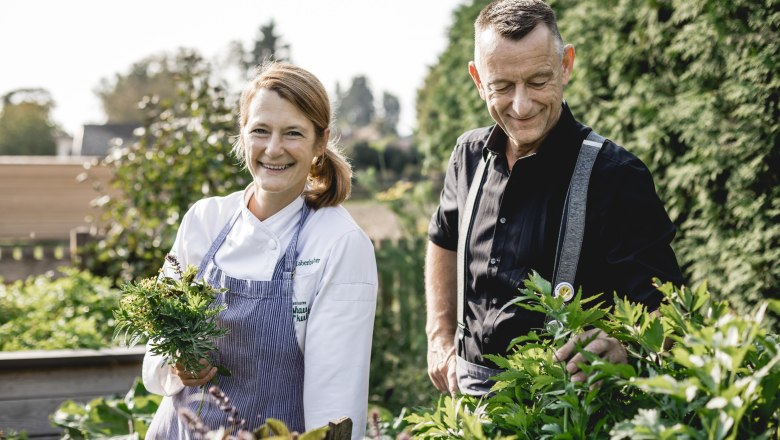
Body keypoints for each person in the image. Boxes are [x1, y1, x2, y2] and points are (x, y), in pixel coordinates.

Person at [425, 0, 684, 396]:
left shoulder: (616, 177)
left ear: (566, 65)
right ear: (478, 80)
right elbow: (443, 239)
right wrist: (439, 336)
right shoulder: (468, 155)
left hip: (568, 415)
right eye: (502, 86)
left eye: (538, 81)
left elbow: (666, 314)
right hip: (468, 409)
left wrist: (623, 349)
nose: (522, 105)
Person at [143, 62, 378, 439]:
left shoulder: (338, 243)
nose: (273, 149)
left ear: (321, 142)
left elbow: (334, 406)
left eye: (293, 133)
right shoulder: (206, 219)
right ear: (243, 134)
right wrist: (175, 363)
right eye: (261, 131)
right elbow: (158, 342)